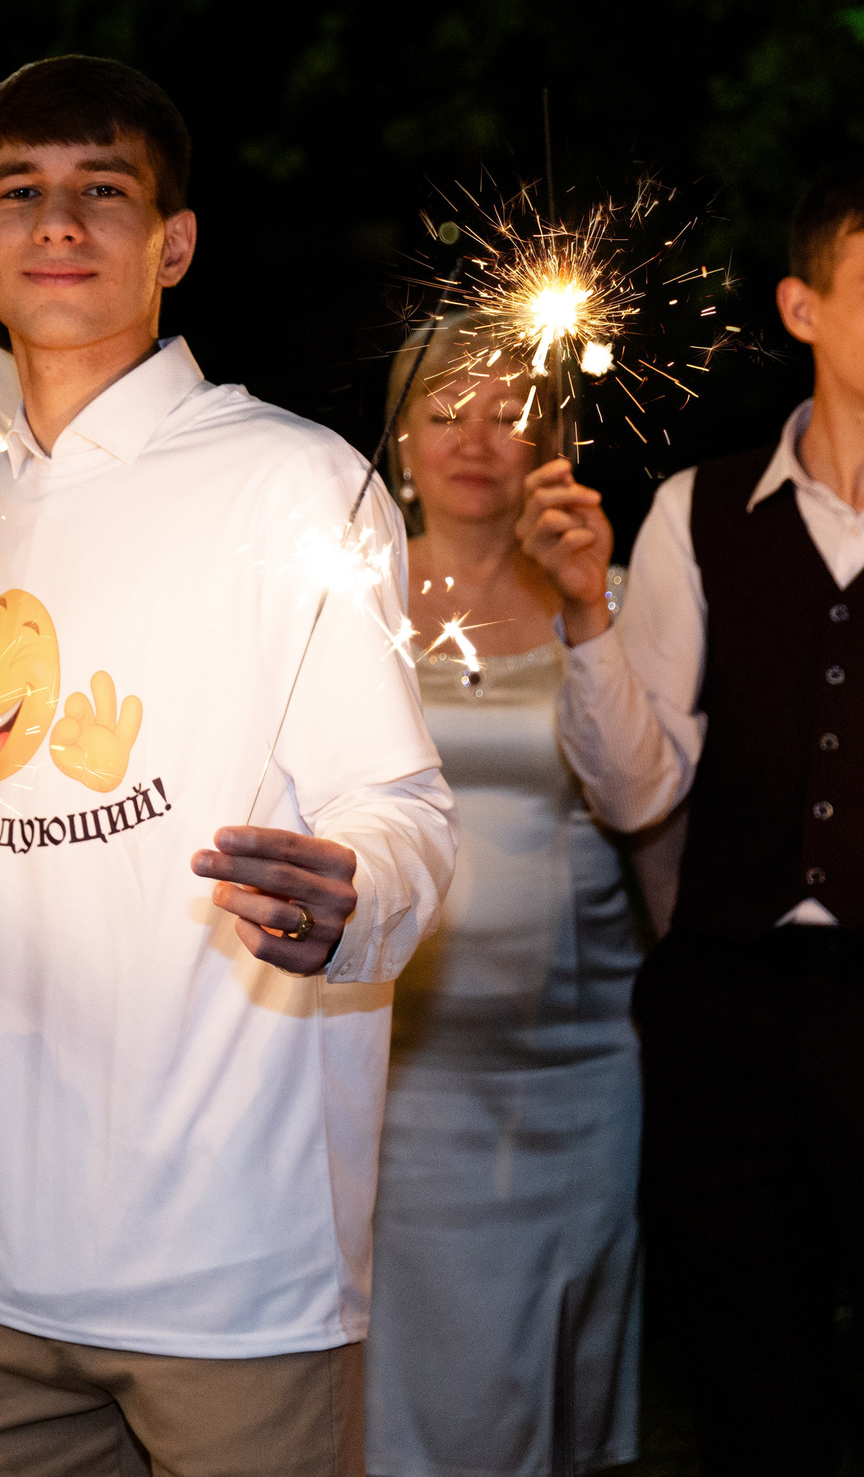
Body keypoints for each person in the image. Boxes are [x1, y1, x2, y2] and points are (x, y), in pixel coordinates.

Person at [0, 56, 455, 1477]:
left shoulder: (295, 479)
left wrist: (348, 889)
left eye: (103, 193)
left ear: (174, 242)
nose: (60, 224)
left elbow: (401, 801)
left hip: (231, 1263)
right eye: (23, 195)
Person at [531, 156, 864, 1476]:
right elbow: (638, 787)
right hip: (728, 1017)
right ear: (802, 306)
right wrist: (586, 608)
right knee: (748, 1379)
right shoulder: (693, 509)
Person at [361, 317, 643, 1477]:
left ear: (554, 443)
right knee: (404, 1375)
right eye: (444, 410)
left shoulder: (610, 592)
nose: (475, 439)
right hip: (392, 1060)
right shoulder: (345, 603)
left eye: (509, 413)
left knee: (548, 1370)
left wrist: (588, 616)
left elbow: (642, 796)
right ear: (397, 436)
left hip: (569, 1068)